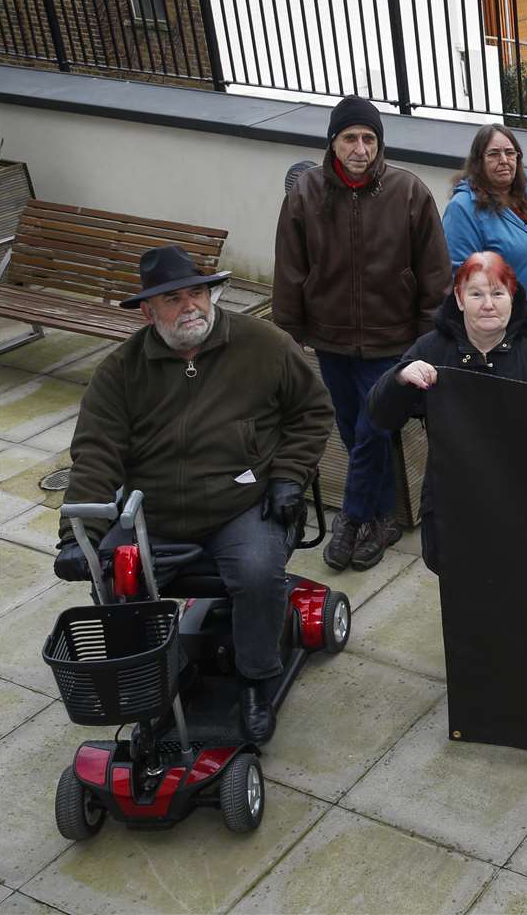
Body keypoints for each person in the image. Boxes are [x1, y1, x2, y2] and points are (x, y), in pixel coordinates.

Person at [57, 245, 334, 743]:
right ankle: (169, 673)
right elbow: (96, 452)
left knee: (255, 573)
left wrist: (291, 476)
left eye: (197, 293)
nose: (190, 306)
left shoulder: (264, 345)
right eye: (172, 299)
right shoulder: (121, 371)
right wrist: (74, 537)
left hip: (241, 504)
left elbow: (312, 412)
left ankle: (254, 680)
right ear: (147, 311)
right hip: (156, 512)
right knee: (112, 576)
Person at [274, 94, 450, 573]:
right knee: (354, 432)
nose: (360, 147)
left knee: (374, 429)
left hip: (392, 339)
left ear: (379, 144)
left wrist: (427, 339)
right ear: (333, 143)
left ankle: (352, 519)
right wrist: (287, 334)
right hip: (330, 337)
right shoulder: (305, 194)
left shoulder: (409, 192)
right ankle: (383, 517)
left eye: (369, 138)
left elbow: (435, 274)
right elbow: (291, 268)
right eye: (350, 137)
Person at [368, 251, 527, 574]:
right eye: (476, 294)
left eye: (497, 293)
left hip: (524, 504)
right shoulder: (432, 349)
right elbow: (381, 416)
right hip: (453, 502)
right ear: (460, 299)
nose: (488, 304)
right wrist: (400, 380)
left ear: (513, 296)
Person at [443, 123, 527, 350]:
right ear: (478, 161)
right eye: (494, 154)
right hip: (505, 337)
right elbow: (461, 276)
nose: (504, 160)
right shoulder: (463, 208)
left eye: (510, 153)